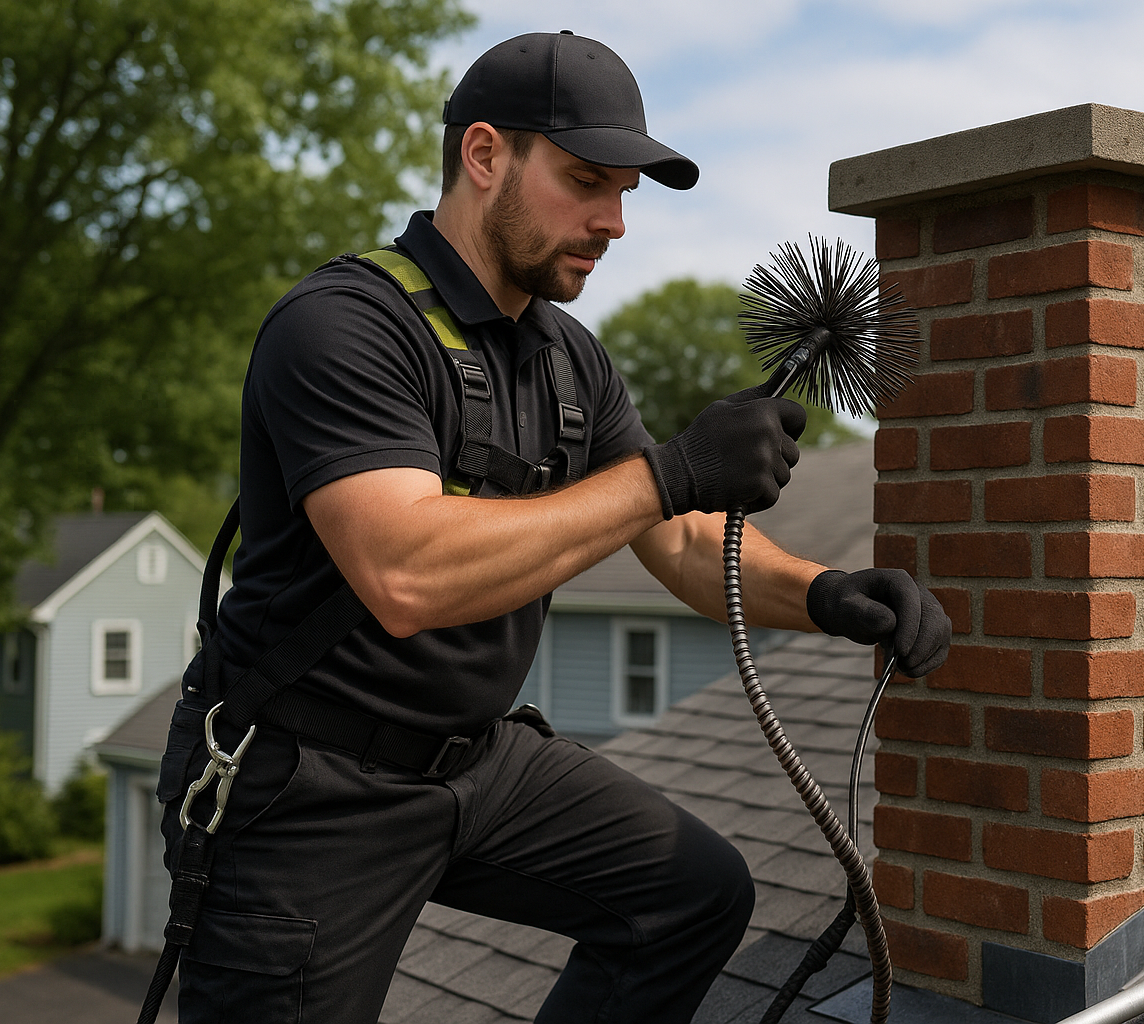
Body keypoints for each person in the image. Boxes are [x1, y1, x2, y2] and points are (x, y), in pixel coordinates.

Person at [157, 30, 950, 1024]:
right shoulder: (344, 326)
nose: (615, 220)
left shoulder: (570, 360)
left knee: (692, 893)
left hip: (477, 762)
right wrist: (668, 472)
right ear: (485, 156)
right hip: (310, 789)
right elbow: (407, 574)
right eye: (586, 180)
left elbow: (685, 542)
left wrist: (831, 595)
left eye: (625, 192)